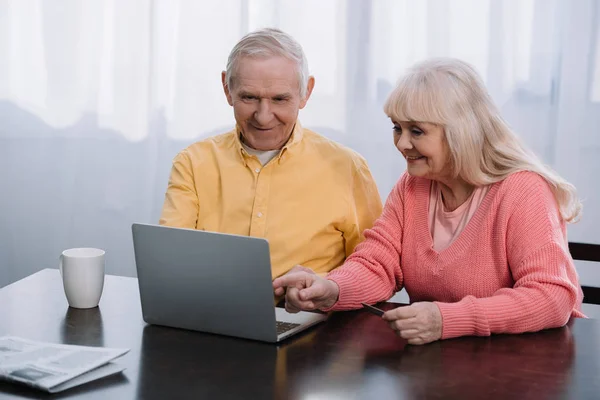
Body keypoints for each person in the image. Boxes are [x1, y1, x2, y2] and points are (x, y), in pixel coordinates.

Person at [273, 57, 586, 345]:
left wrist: (446, 319)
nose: (402, 143)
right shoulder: (412, 186)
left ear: (460, 132)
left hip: (529, 364)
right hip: (443, 364)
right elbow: (377, 264)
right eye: (397, 128)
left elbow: (551, 298)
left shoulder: (523, 190)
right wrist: (331, 289)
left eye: (417, 131)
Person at [159, 28, 383, 281]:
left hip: (315, 318)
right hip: (211, 315)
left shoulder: (348, 167)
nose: (263, 116)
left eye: (279, 99)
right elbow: (170, 260)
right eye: (249, 97)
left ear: (305, 92)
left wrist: (328, 287)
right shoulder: (192, 163)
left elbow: (375, 268)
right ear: (227, 89)